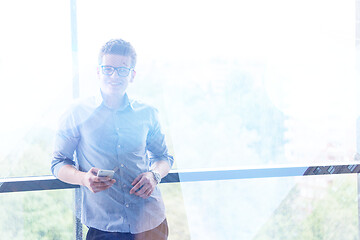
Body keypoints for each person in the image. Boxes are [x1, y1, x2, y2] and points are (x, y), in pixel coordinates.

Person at [51, 39, 174, 240]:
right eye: (108, 69)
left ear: (132, 75)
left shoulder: (148, 113)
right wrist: (83, 178)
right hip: (104, 227)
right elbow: (57, 163)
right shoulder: (76, 113)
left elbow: (163, 157)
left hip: (151, 222)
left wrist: (154, 176)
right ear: (98, 72)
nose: (114, 76)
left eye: (122, 70)